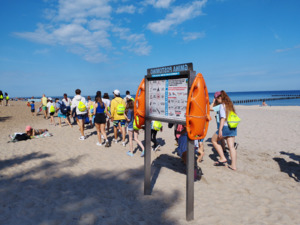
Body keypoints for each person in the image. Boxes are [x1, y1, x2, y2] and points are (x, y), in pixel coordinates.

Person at [211, 90, 238, 171]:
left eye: (216, 99)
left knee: (214, 140)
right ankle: (233, 165)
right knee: (231, 147)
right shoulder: (230, 105)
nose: (216, 100)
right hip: (232, 127)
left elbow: (223, 118)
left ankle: (222, 157)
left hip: (225, 127)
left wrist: (220, 130)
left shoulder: (222, 106)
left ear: (220, 97)